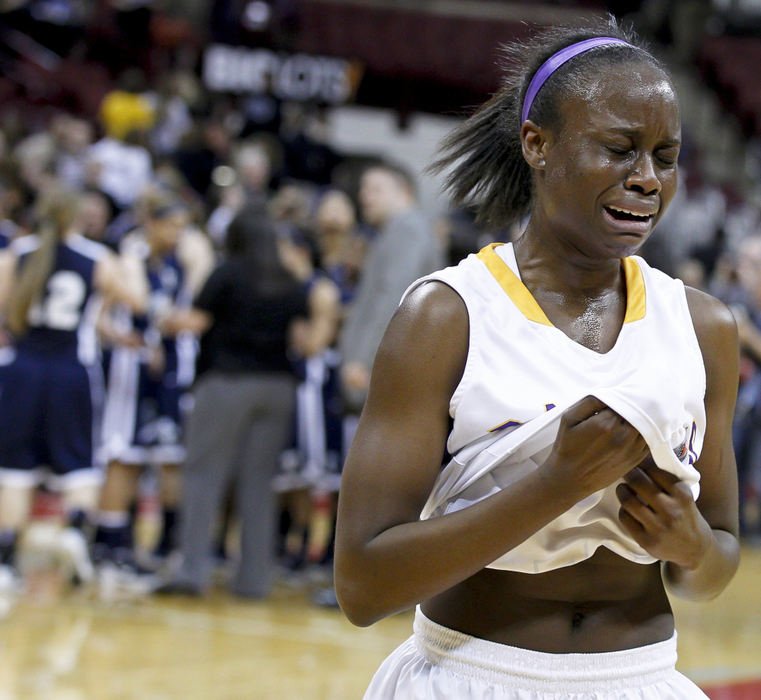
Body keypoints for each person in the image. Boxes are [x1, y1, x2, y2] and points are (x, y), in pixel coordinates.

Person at [334, 18, 740, 700]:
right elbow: (362, 585)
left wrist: (690, 543)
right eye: (618, 149)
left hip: (637, 681)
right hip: (473, 676)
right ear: (537, 143)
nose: (645, 179)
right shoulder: (444, 315)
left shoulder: (703, 325)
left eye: (664, 157)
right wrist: (553, 486)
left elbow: (714, 566)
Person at [153, 208, 339, 598]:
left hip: (226, 383)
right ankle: (254, 582)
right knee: (259, 484)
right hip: (277, 388)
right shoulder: (289, 281)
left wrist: (165, 319)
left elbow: (197, 322)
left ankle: (192, 573)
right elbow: (303, 340)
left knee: (204, 476)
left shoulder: (227, 273)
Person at [0, 189, 146, 587]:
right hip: (70, 372)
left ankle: (6, 558)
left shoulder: (17, 252)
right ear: (77, 216)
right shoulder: (97, 258)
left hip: (21, 370)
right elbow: (137, 301)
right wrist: (132, 262)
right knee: (78, 464)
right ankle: (73, 535)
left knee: (15, 469)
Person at [338, 162, 444, 415]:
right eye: (364, 189)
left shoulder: (408, 228)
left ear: (404, 192)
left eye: (375, 189)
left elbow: (394, 297)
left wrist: (363, 360)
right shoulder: (397, 230)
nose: (364, 197)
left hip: (381, 368)